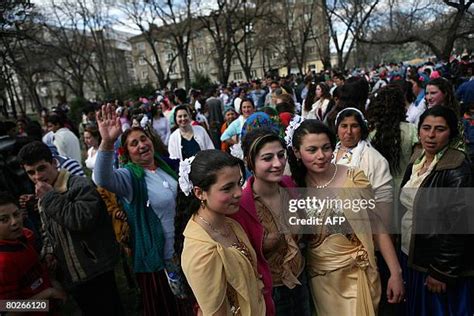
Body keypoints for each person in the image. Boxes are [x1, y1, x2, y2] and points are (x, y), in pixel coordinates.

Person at [287, 119, 404, 316]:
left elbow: (377, 227)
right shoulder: (294, 187)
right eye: (312, 150)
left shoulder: (353, 178)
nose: (321, 156)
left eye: (326, 148)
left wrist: (395, 272)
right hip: (319, 280)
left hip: (357, 275)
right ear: (297, 152)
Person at [93, 104, 192, 316]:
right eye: (133, 144)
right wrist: (107, 142)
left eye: (143, 139)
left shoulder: (165, 167)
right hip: (159, 262)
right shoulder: (129, 177)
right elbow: (101, 178)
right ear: (127, 152)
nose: (141, 145)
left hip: (184, 252)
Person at [17, 141, 123, 315]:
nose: (37, 177)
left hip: (96, 270)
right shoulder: (46, 192)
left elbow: (80, 220)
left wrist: (49, 198)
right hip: (72, 274)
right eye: (31, 172)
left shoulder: (79, 185)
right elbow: (48, 228)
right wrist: (50, 252)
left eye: (41, 168)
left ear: (53, 163)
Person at [400, 106, 474, 315]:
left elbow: (459, 225)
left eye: (439, 129)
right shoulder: (418, 160)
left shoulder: (456, 168)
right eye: (426, 128)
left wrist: (442, 271)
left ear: (451, 133)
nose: (431, 135)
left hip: (436, 265)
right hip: (414, 255)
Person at [176, 150, 266, 315]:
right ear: (199, 193)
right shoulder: (201, 252)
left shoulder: (230, 223)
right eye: (227, 188)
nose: (239, 193)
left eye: (239, 183)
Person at [232, 128, 311, 316]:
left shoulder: (290, 185)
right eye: (267, 158)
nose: (277, 163)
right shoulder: (241, 205)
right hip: (269, 292)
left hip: (300, 280)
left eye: (281, 155)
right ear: (250, 161)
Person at [0, 191, 67, 303]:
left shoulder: (25, 237)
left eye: (16, 214)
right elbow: (7, 309)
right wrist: (46, 297)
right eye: (4, 220)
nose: (14, 222)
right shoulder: (3, 263)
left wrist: (51, 280)